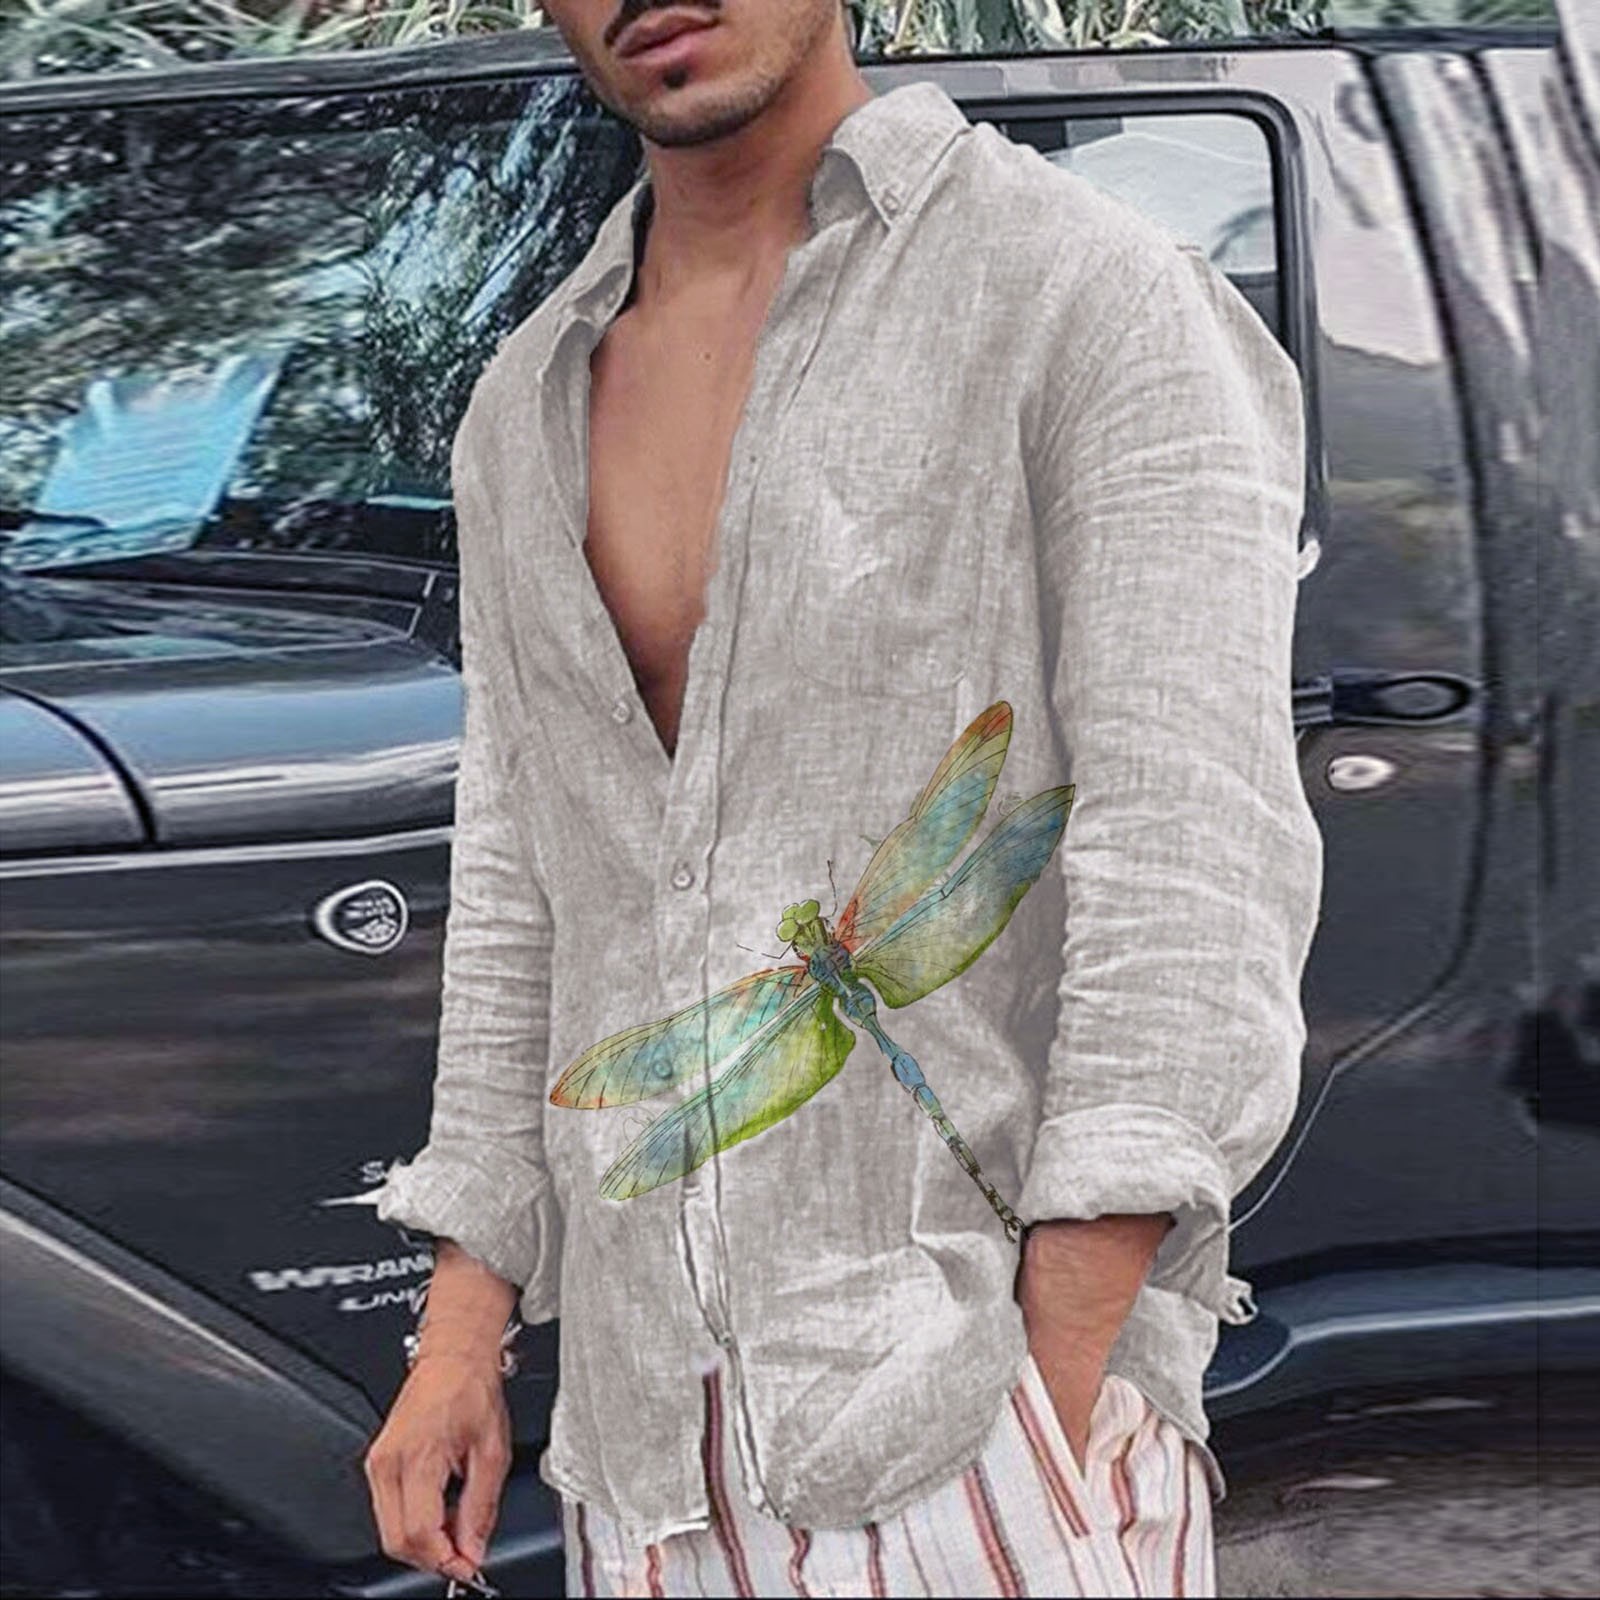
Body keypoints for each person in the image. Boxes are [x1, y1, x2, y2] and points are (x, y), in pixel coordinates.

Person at [361, 2, 1325, 1596]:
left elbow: (1193, 847)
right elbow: (531, 883)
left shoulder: (1083, 290)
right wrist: (461, 1331)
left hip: (972, 1433)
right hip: (642, 1454)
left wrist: (1058, 1372)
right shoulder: (523, 404)